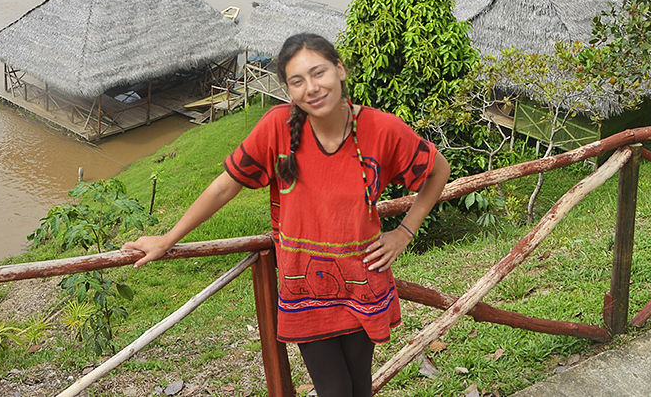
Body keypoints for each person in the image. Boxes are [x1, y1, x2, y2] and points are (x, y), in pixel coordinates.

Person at [122, 33, 450, 397]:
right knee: (336, 390)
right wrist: (169, 238)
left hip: (362, 283)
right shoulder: (277, 129)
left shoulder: (381, 130)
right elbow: (224, 186)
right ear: (289, 89)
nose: (312, 88)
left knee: (359, 387)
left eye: (319, 73)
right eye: (298, 81)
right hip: (304, 287)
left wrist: (404, 232)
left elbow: (438, 170)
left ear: (340, 70)